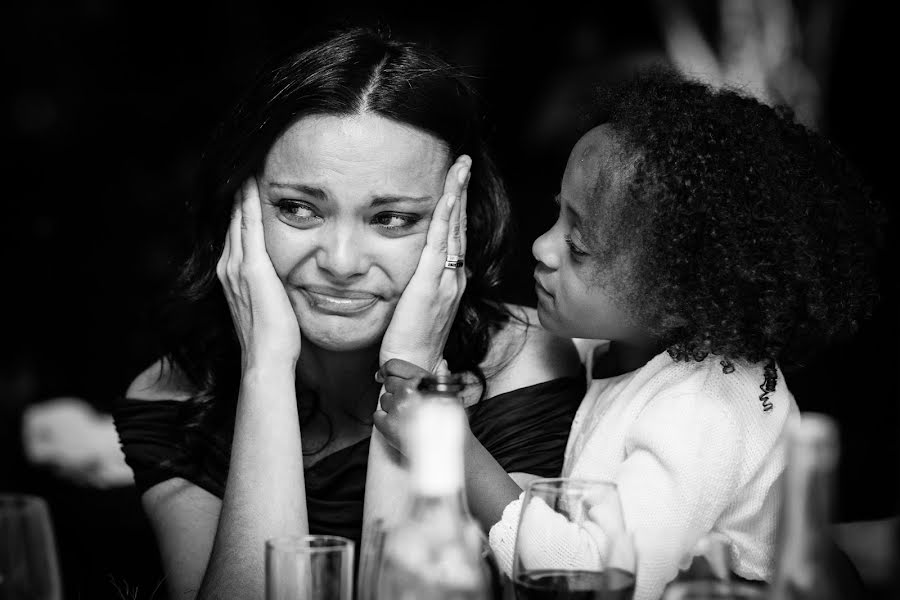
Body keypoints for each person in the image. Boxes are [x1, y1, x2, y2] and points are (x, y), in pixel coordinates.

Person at [111, 26, 585, 600]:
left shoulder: (525, 363)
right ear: (240, 207)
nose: (340, 262)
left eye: (391, 219)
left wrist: (411, 369)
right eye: (298, 209)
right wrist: (266, 371)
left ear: (456, 219)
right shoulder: (172, 397)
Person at [375, 66, 884, 600]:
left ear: (681, 292)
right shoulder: (624, 350)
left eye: (580, 247)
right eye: (558, 218)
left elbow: (593, 580)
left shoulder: (703, 408)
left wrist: (452, 448)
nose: (542, 249)